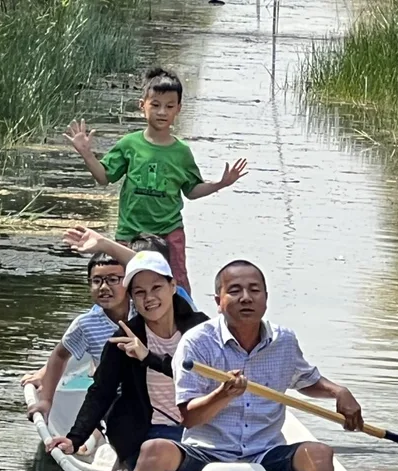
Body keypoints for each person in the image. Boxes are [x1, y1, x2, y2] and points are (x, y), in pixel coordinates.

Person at [122, 259, 364, 471]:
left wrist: (339, 392)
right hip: (207, 448)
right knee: (152, 450)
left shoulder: (284, 341)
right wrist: (222, 395)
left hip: (265, 449)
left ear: (265, 298)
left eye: (254, 290)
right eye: (234, 291)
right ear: (219, 301)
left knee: (320, 455)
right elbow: (189, 416)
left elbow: (307, 380)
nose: (246, 298)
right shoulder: (197, 343)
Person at [64, 67, 248, 295]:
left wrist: (220, 183)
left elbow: (191, 190)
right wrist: (86, 154)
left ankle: (183, 325)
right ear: (142, 106)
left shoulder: (181, 152)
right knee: (126, 286)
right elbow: (103, 177)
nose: (162, 112)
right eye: (156, 105)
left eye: (169, 106)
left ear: (178, 109)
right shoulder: (129, 144)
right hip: (130, 232)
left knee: (175, 284)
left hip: (168, 232)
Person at [46, 252, 208, 469]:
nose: (149, 298)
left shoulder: (201, 330)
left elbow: (205, 372)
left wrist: (148, 357)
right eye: (140, 292)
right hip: (151, 430)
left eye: (156, 288)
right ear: (131, 298)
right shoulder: (123, 339)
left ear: (173, 286)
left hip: (204, 427)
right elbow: (101, 392)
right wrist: (75, 439)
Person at [23, 253, 130, 420]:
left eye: (113, 279)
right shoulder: (86, 324)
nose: (103, 287)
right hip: (112, 399)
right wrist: (46, 400)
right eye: (96, 281)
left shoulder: (144, 311)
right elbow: (59, 355)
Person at [62, 224, 199, 311]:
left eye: (156, 287)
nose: (149, 297)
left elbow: (147, 266)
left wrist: (105, 245)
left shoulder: (177, 297)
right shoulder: (122, 302)